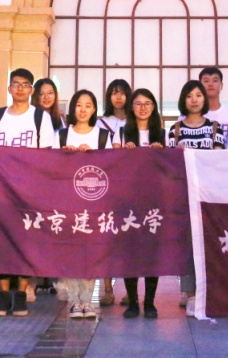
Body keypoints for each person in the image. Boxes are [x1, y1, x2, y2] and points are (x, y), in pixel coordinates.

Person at [0, 68, 55, 317]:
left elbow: (46, 155)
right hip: (2, 191)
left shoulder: (40, 117)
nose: (20, 88)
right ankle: (3, 295)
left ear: (31, 90)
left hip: (29, 192)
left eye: (25, 84)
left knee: (27, 243)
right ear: (9, 88)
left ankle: (21, 294)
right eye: (15, 84)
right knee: (2, 242)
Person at [53, 89, 114, 320]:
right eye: (79, 105)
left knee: (91, 253)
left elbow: (111, 168)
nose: (83, 109)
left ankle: (87, 301)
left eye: (88, 105)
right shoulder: (61, 135)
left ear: (94, 109)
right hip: (67, 203)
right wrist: (63, 155)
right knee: (71, 252)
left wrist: (95, 156)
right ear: (73, 108)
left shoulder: (102, 136)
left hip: (94, 204)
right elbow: (50, 166)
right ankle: (74, 301)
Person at [168, 80, 225, 315]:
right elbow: (169, 164)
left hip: (209, 194)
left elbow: (219, 160)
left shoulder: (215, 128)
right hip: (184, 195)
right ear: (184, 99)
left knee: (210, 242)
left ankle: (209, 292)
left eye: (198, 95)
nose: (194, 99)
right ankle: (191, 293)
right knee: (188, 244)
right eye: (189, 95)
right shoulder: (175, 129)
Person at [118, 88, 165, 319]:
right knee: (130, 252)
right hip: (128, 200)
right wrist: (123, 152)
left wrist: (162, 153)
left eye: (147, 103)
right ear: (131, 107)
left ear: (154, 107)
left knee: (151, 252)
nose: (143, 107)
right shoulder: (122, 132)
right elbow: (113, 164)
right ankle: (132, 302)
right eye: (138, 103)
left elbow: (169, 166)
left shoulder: (162, 134)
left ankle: (150, 302)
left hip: (155, 200)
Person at [29, 78, 66, 300]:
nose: (46, 97)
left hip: (54, 184)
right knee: (35, 231)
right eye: (41, 93)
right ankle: (33, 280)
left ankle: (50, 279)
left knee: (53, 230)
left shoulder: (61, 120)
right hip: (33, 183)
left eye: (50, 93)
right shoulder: (30, 117)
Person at [98, 77, 131, 305]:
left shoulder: (135, 121)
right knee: (106, 238)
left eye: (122, 92)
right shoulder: (101, 123)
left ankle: (130, 291)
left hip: (130, 186)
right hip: (107, 185)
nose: (118, 97)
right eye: (114, 92)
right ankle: (108, 289)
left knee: (129, 239)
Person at [199, 67, 228, 147]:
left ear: (221, 85)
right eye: (206, 81)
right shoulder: (189, 115)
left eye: (215, 80)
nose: (210, 84)